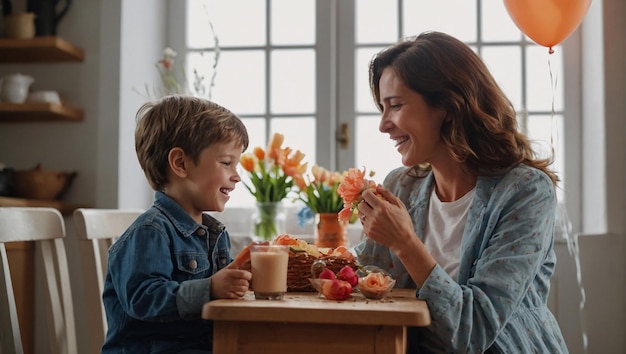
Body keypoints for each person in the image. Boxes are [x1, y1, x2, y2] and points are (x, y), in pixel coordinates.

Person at [354, 31, 568, 353]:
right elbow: (367, 279)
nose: (383, 124)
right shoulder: (402, 185)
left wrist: (405, 242)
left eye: (395, 106)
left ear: (448, 106)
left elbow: (474, 332)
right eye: (382, 108)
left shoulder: (526, 192)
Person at [101, 95, 252, 353]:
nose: (236, 176)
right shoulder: (150, 232)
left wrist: (244, 274)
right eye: (227, 163)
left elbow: (221, 294)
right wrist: (211, 288)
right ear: (181, 163)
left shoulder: (214, 234)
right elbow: (143, 299)